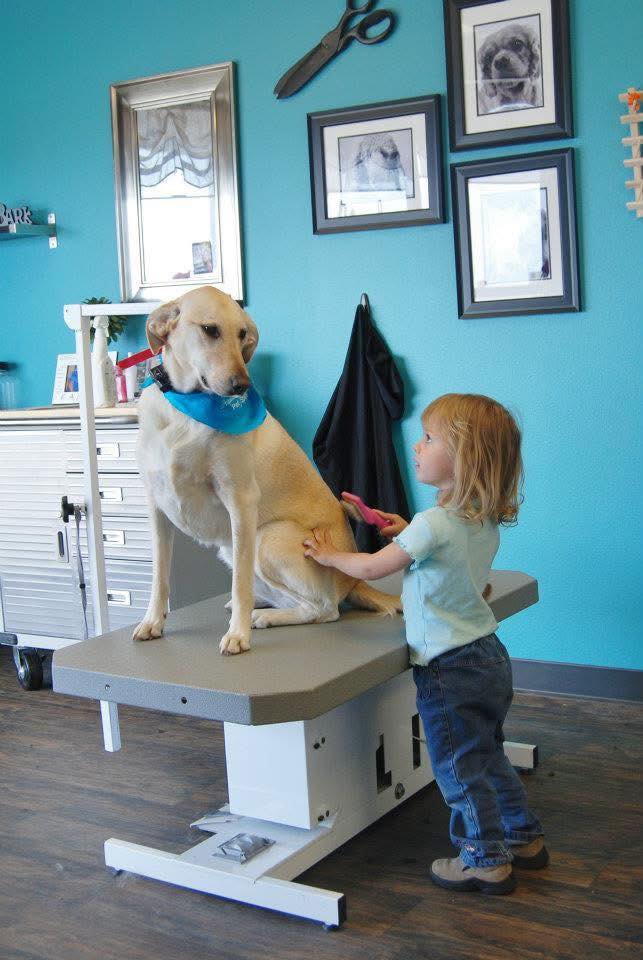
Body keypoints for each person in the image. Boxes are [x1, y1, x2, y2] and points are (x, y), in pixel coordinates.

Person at [303, 393, 547, 895]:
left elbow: (372, 568)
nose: (416, 446)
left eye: (430, 438)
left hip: (447, 668)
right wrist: (398, 527)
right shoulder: (480, 516)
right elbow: (433, 546)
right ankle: (523, 836)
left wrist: (329, 557)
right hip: (487, 656)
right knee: (487, 753)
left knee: (458, 768)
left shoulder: (433, 524)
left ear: (464, 457)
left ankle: (484, 858)